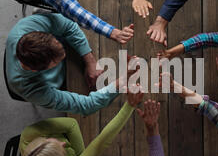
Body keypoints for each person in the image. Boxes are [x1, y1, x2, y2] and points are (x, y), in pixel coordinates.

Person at [5, 13, 134, 114]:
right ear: (37, 70)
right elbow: (86, 105)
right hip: (58, 86)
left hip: (75, 61)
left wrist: (90, 61)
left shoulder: (24, 27)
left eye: (56, 41)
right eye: (56, 61)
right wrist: (123, 79)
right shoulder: (30, 89)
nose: (63, 54)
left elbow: (69, 26)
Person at [19, 91, 144, 156]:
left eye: (52, 141)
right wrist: (130, 105)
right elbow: (102, 142)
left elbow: (71, 124)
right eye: (62, 153)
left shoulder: (27, 136)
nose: (62, 143)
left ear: (41, 141)